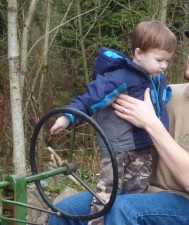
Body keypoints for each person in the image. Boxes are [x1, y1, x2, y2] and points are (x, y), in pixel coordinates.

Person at [48, 22, 189, 225]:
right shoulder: (163, 92)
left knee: (123, 211)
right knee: (66, 211)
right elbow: (101, 99)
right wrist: (75, 114)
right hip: (139, 189)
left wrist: (151, 122)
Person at [49, 20, 177, 225]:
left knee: (137, 196)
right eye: (160, 60)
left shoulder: (157, 77)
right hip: (117, 148)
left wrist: (166, 95)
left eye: (167, 61)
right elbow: (91, 97)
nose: (164, 66)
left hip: (143, 147)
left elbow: (160, 96)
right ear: (139, 53)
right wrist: (68, 117)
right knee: (106, 193)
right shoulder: (120, 77)